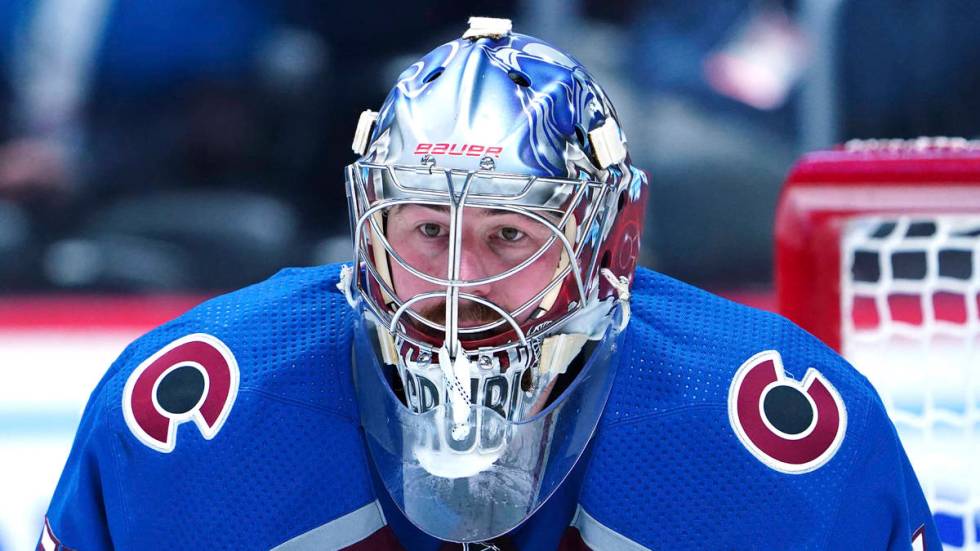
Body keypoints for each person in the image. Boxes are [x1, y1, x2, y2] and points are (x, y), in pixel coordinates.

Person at [40, 18, 937, 550]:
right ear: (366, 225)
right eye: (427, 229)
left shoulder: (768, 433)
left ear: (614, 242)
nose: (459, 282)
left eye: (511, 233)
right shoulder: (195, 413)